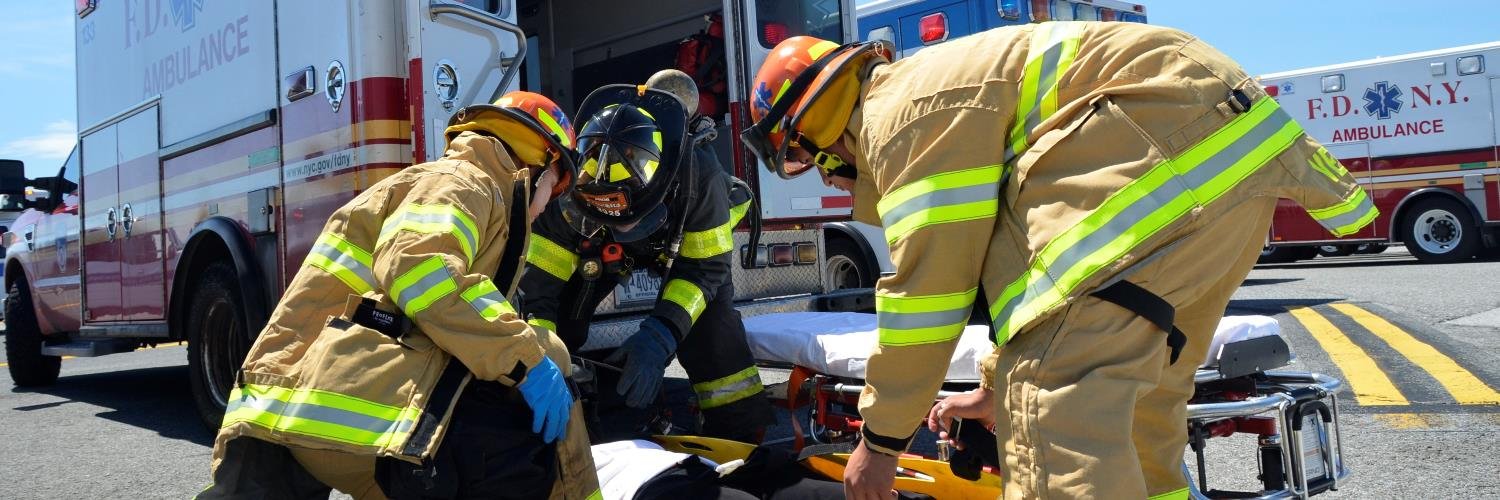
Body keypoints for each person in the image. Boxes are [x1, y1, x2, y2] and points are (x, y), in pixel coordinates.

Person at [741, 22, 1378, 499]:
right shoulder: (936, 88)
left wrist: (879, 443)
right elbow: (1019, 279)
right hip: (1227, 172)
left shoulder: (899, 119)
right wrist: (991, 383)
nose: (816, 171)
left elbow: (928, 295)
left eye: (797, 155)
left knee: (1054, 411)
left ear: (811, 130)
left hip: (1155, 164)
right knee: (1139, 414)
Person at [200, 92, 600, 499]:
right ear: (537, 163)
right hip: (351, 409)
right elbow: (419, 271)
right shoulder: (464, 182)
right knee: (520, 430)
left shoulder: (445, 183)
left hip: (291, 403)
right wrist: (528, 360)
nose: (545, 207)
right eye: (555, 187)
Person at [518, 82, 774, 444]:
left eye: (632, 220)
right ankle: (579, 424)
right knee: (563, 319)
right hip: (601, 244)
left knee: (711, 325)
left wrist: (660, 335)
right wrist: (542, 355)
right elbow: (537, 291)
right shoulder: (565, 191)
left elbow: (704, 271)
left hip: (685, 242)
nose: (627, 229)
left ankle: (739, 431)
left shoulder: (699, 176)